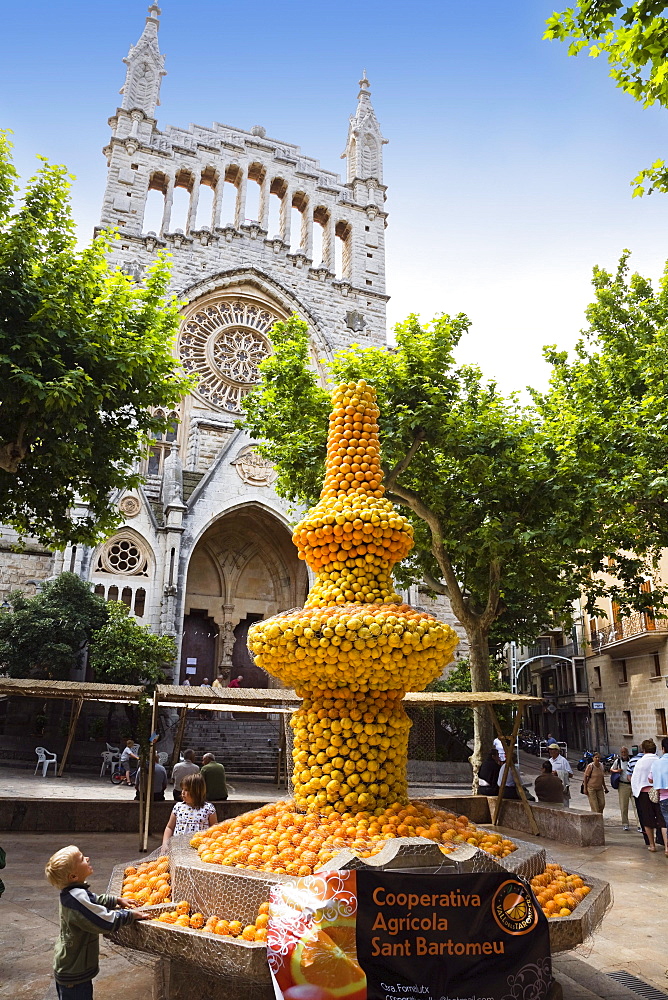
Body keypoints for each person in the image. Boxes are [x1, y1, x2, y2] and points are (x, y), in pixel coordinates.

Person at [45, 845, 147, 999]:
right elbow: (102, 921)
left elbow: (92, 900)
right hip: (74, 971)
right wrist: (129, 915)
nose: (87, 859)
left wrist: (116, 900)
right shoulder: (76, 898)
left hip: (72, 966)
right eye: (81, 859)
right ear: (73, 876)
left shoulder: (74, 892)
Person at [161, 773, 217, 850]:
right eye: (182, 789)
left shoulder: (208, 809)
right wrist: (165, 844)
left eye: (187, 790)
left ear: (197, 792)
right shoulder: (178, 807)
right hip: (178, 848)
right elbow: (169, 827)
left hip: (199, 849)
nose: (183, 793)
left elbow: (214, 830)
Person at [631, 738, 667, 852]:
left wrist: (636, 793)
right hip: (658, 792)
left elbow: (635, 779)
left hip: (643, 795)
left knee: (647, 820)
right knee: (662, 820)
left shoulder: (640, 762)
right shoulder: (658, 760)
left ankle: (652, 845)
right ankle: (666, 845)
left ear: (644, 750)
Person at [610, 746, 638, 830]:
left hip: (633, 785)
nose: (623, 754)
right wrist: (617, 771)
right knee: (623, 806)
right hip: (623, 785)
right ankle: (625, 824)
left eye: (625, 752)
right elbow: (611, 769)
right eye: (622, 752)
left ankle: (639, 825)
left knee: (636, 805)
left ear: (627, 752)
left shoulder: (632, 760)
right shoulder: (617, 761)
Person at [649, 736, 668, 854]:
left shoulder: (657, 763)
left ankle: (667, 848)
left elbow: (650, 779)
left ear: (663, 749)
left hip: (664, 798)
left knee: (666, 822)